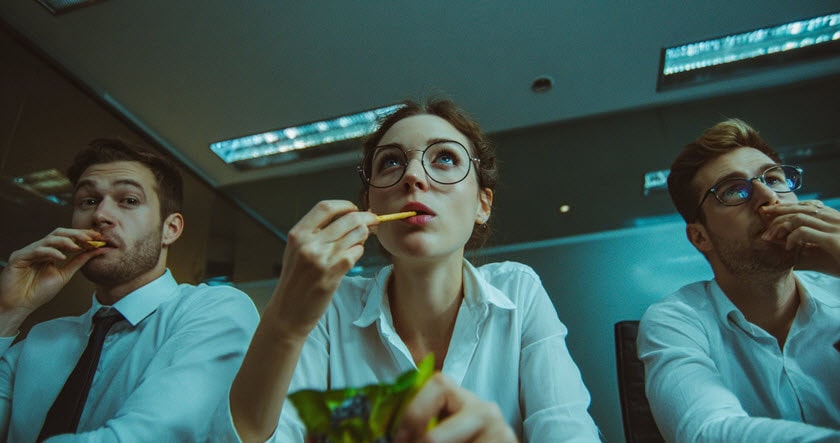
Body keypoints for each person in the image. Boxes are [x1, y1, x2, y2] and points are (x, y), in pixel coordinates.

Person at [216, 98, 601, 442]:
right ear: (370, 205)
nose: (413, 177)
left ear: (483, 204)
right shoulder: (331, 307)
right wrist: (285, 319)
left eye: (445, 158)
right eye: (392, 162)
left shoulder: (519, 291)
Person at [0, 139, 259, 441]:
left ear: (170, 229)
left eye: (129, 200)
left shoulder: (213, 310)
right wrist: (8, 311)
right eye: (88, 201)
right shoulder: (40, 341)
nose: (100, 216)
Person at [637, 118, 840, 442]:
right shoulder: (678, 320)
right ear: (700, 237)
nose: (767, 197)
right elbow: (708, 433)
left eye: (774, 179)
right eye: (735, 190)